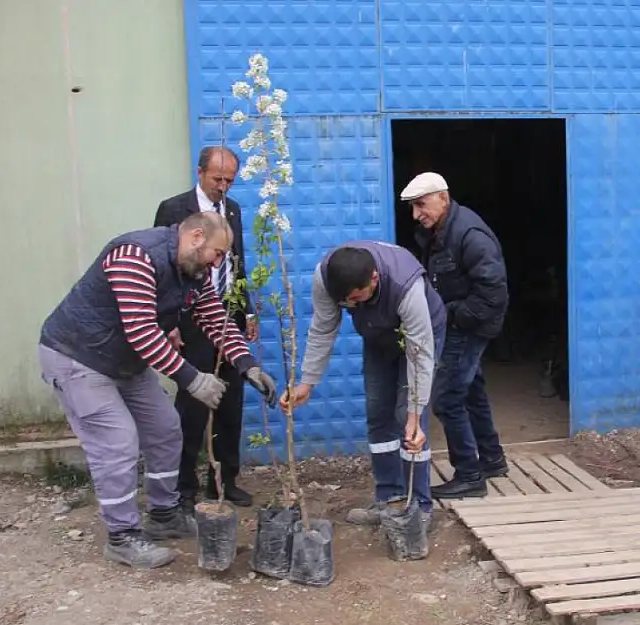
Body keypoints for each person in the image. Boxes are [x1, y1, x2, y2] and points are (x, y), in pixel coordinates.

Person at [37, 211, 278, 568]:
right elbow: (142, 331)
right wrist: (194, 380)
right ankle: (122, 536)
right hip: (79, 358)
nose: (218, 263)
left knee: (166, 429)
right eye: (217, 253)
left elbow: (214, 316)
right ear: (197, 237)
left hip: (124, 361)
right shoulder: (135, 256)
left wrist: (248, 365)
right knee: (118, 442)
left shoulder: (192, 273)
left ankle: (165, 514)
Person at [281, 241, 446, 534]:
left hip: (422, 337)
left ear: (374, 279)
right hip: (378, 336)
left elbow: (420, 355)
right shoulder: (326, 277)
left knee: (406, 421)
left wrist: (414, 415)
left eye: (358, 298)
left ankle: (419, 506)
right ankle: (388, 499)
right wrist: (307, 383)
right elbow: (323, 327)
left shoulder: (406, 289)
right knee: (377, 412)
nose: (353, 306)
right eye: (348, 302)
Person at [154, 146, 259, 512]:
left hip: (227, 316)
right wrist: (167, 324)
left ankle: (224, 481)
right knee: (193, 405)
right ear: (200, 173)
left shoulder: (233, 210)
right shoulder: (174, 210)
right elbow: (164, 273)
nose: (224, 186)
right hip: (190, 320)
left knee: (231, 403)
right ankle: (183, 488)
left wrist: (246, 312)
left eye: (230, 179)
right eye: (218, 179)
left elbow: (236, 263)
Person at [402, 172, 510, 499]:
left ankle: (469, 475)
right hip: (461, 321)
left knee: (448, 399)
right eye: (412, 207)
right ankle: (492, 460)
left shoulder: (470, 235)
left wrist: (448, 315)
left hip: (469, 325)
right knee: (471, 390)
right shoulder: (440, 230)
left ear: (443, 198)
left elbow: (493, 294)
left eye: (421, 205)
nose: (416, 214)